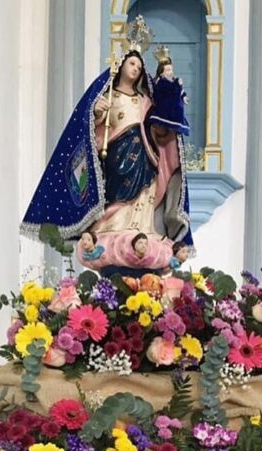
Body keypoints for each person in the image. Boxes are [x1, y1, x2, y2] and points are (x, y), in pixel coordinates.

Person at [22, 16, 192, 275]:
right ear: (121, 65)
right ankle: (110, 227)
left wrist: (170, 100)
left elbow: (160, 126)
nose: (135, 69)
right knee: (117, 193)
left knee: (144, 196)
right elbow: (91, 131)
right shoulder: (108, 96)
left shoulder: (145, 99)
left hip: (145, 157)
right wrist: (96, 112)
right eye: (131, 63)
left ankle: (142, 230)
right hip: (117, 157)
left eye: (139, 66)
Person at [148, 46, 190, 138]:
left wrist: (184, 97)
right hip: (166, 111)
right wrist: (177, 83)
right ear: (161, 73)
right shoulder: (161, 82)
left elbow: (181, 91)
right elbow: (169, 90)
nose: (170, 72)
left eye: (171, 70)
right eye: (168, 70)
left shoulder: (174, 81)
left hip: (176, 111)